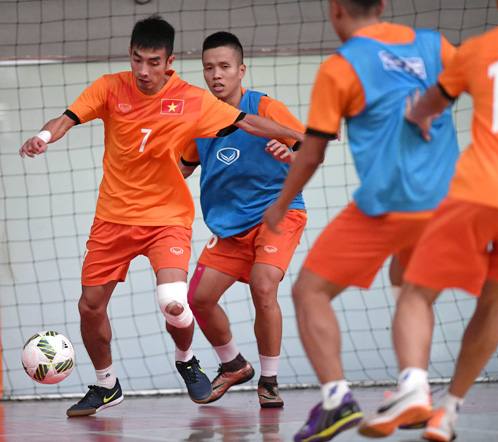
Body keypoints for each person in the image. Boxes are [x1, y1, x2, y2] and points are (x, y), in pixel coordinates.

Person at [19, 14, 304, 417]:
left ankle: (195, 362)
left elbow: (252, 123)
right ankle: (107, 386)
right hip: (115, 219)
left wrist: (302, 139)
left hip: (184, 219)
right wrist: (43, 137)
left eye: (154, 61)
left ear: (168, 61)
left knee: (178, 299)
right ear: (130, 55)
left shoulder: (195, 99)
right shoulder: (109, 88)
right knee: (91, 306)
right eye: (137, 59)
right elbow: (67, 119)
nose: (144, 70)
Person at [263, 0, 459, 440]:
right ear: (384, 4)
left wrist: (280, 204)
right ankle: (414, 387)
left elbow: (311, 154)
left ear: (335, 9)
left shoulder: (341, 67)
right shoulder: (435, 45)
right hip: (446, 202)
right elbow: (475, 87)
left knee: (308, 290)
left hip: (387, 203)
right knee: (411, 287)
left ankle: (336, 398)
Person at [360, 2, 498, 440]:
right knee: (495, 303)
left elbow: (426, 106)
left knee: (413, 290)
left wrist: (418, 118)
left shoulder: (478, 50)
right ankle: (449, 411)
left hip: (478, 193)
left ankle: (414, 389)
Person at [179, 31, 307, 408]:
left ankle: (269, 381)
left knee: (262, 285)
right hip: (229, 227)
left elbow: (309, 152)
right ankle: (233, 364)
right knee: (197, 299)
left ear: (241, 70)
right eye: (208, 68)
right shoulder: (199, 120)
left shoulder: (266, 108)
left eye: (224, 67)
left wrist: (290, 155)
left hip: (276, 213)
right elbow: (179, 169)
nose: (216, 75)